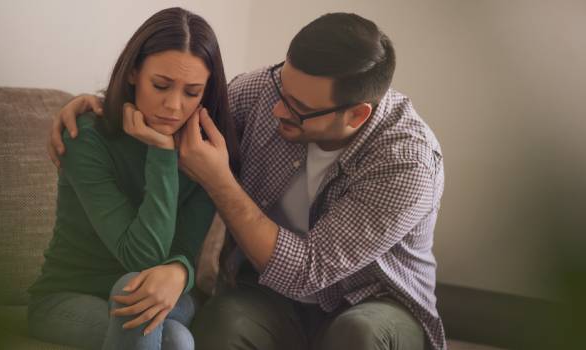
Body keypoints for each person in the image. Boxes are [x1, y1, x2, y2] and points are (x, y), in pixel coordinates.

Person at [51, 13, 446, 350]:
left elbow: (307, 271)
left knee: (357, 333)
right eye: (282, 86)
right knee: (220, 324)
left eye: (299, 109)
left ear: (356, 116)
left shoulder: (406, 163)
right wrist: (98, 105)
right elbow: (177, 110)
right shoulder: (259, 91)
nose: (277, 108)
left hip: (371, 301)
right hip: (268, 297)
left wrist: (220, 180)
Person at [27, 7, 240, 350]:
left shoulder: (206, 154)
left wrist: (181, 273)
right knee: (172, 335)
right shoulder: (86, 137)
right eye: (161, 85)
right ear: (133, 73)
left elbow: (184, 248)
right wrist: (161, 151)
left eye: (192, 92)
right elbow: (142, 258)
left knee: (146, 302)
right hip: (67, 298)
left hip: (167, 294)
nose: (173, 105)